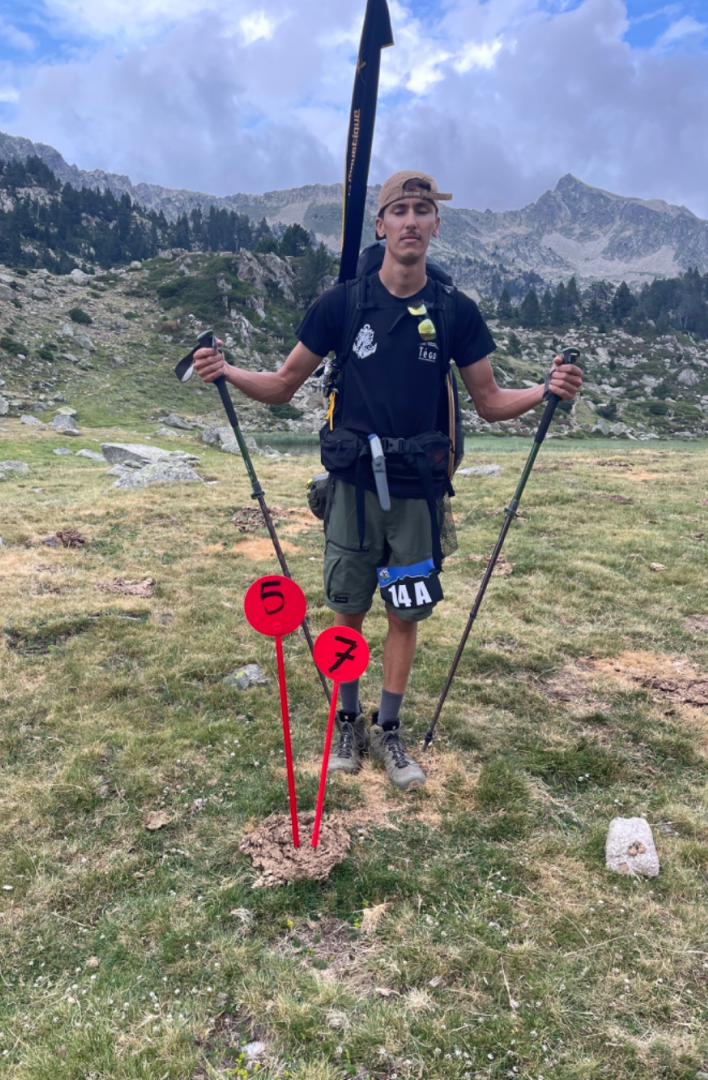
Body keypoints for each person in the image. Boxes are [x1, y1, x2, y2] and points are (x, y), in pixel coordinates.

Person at [193, 170, 583, 793]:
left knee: (406, 612)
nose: (410, 220)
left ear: (436, 226)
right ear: (380, 225)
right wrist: (227, 371)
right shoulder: (342, 305)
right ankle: (347, 720)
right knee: (347, 607)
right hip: (351, 486)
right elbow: (284, 384)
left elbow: (488, 401)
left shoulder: (455, 311)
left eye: (422, 210)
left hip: (417, 491)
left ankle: (389, 727)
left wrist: (546, 389)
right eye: (399, 210)